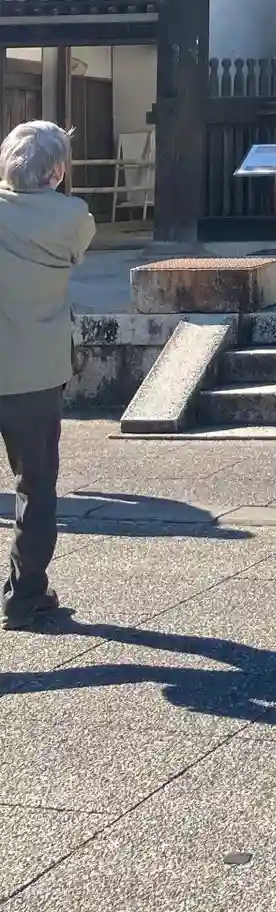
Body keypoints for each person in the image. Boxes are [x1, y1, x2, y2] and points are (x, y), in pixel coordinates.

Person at [0, 121, 95, 630]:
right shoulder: (73, 217)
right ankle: (25, 597)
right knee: (35, 487)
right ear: (56, 170)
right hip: (34, 372)